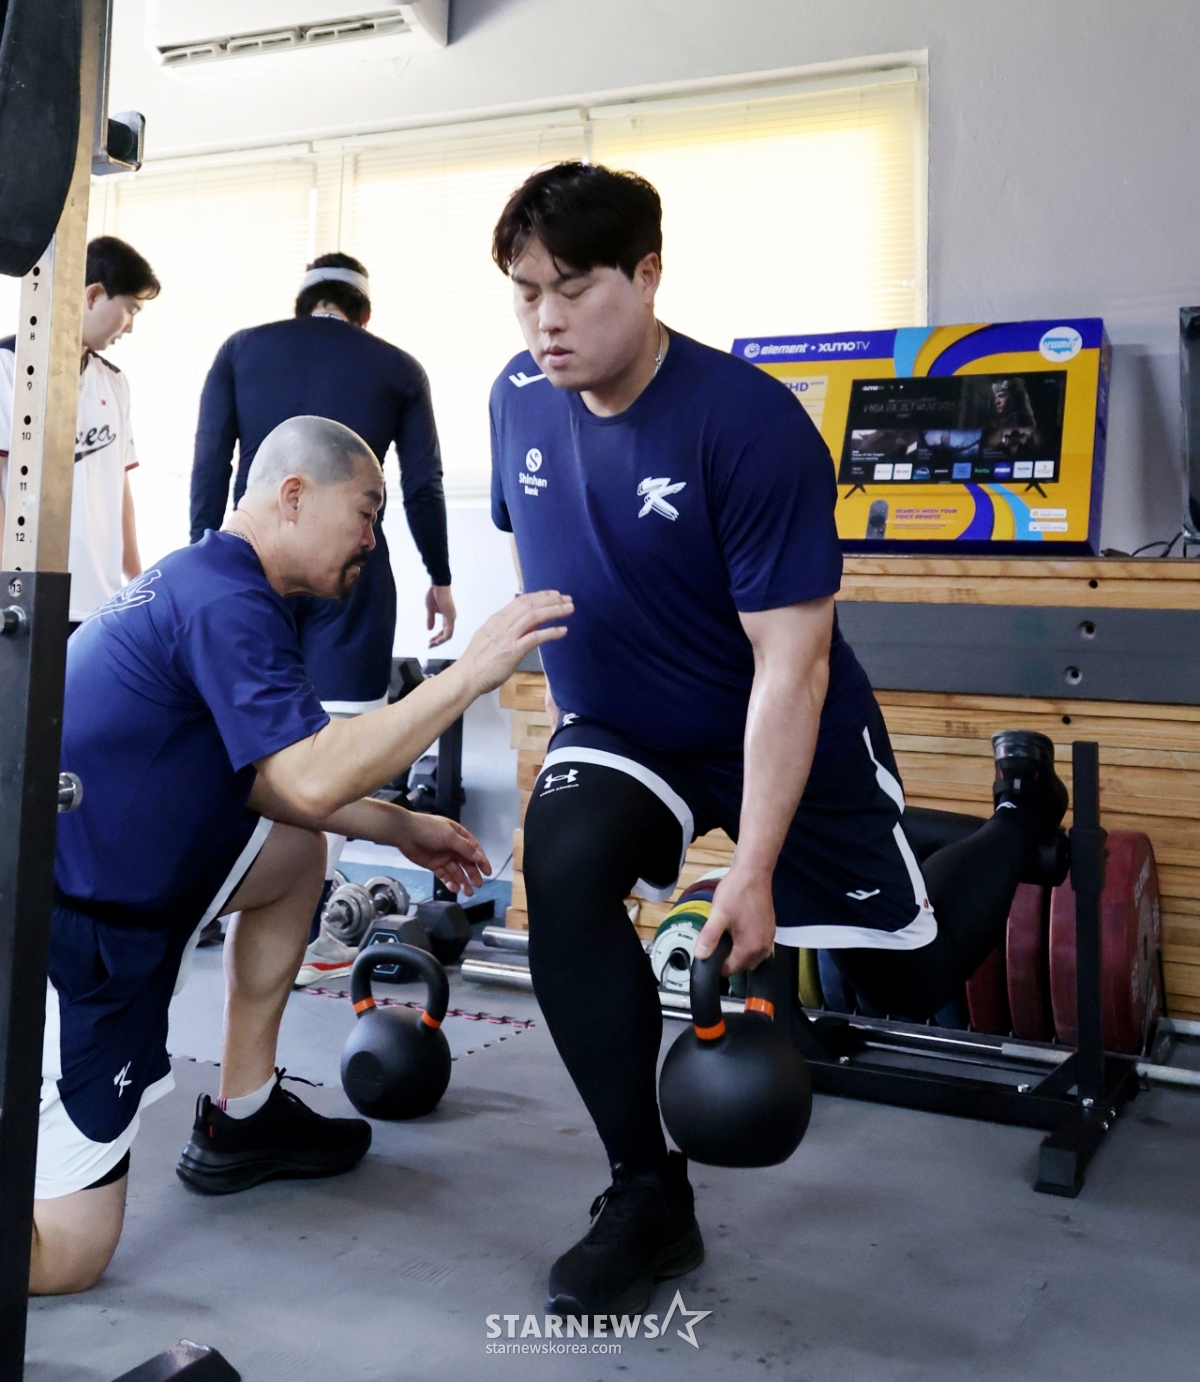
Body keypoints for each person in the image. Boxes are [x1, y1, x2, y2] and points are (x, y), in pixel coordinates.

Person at [487, 162, 1069, 1316]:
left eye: (574, 287)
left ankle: (1020, 820)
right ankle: (646, 1191)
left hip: (767, 712)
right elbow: (541, 542)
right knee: (561, 862)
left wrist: (750, 867)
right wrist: (555, 708)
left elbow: (792, 665)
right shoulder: (513, 396)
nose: (545, 319)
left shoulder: (749, 425)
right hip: (623, 726)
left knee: (906, 970)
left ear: (648, 274)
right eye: (524, 291)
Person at [34, 414, 572, 1295]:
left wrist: (396, 826)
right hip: (75, 935)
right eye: (366, 512)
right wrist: (469, 674)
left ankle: (244, 1116)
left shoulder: (210, 576)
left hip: (104, 874)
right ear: (292, 496)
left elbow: (266, 781)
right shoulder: (227, 601)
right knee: (68, 1254)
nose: (372, 540)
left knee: (291, 855)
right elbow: (314, 774)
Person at [189, 252, 457, 982]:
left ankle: (234, 906)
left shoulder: (242, 350)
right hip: (351, 575)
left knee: (246, 746)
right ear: (364, 313)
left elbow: (211, 464)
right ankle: (316, 936)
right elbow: (423, 486)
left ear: (302, 303)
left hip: (254, 571)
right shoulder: (397, 366)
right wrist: (440, 577)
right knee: (338, 749)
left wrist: (202, 572)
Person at [0, 236, 158, 629]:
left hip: (101, 603)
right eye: (130, 309)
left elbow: (119, 488)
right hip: (26, 601)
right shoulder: (7, 367)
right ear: (92, 295)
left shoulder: (115, 383)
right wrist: (7, 588)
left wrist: (137, 580)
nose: (130, 326)